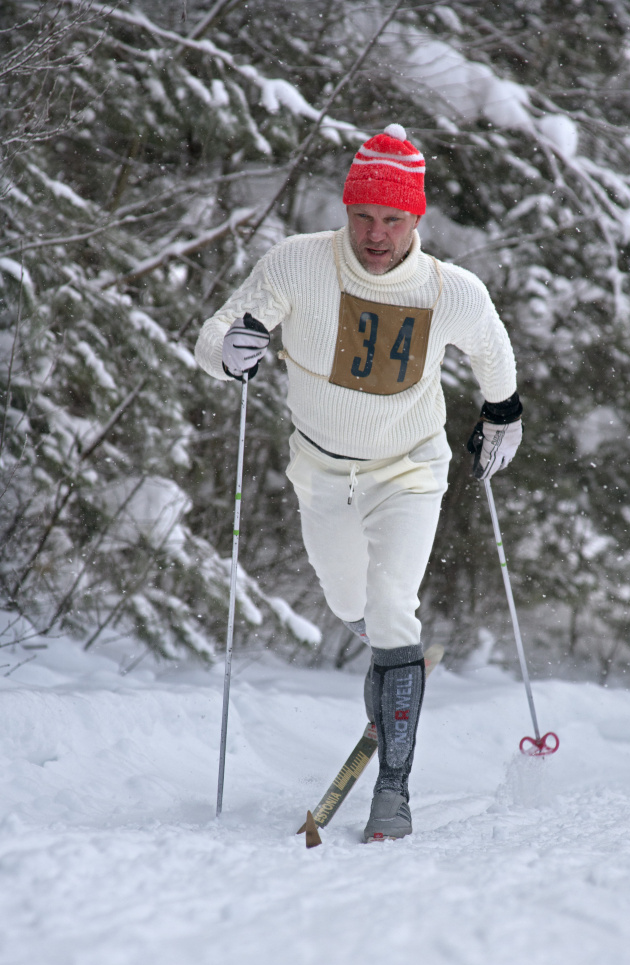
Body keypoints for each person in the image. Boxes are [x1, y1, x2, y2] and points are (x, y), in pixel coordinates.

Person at [195, 124, 522, 842]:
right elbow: (215, 335)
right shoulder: (297, 263)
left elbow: (494, 355)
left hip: (409, 469)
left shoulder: (448, 289)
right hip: (321, 472)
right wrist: (230, 351)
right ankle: (389, 665)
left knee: (390, 606)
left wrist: (500, 418)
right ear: (346, 212)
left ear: (417, 219)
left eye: (392, 219)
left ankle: (393, 789)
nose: (376, 234)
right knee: (349, 599)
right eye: (363, 216)